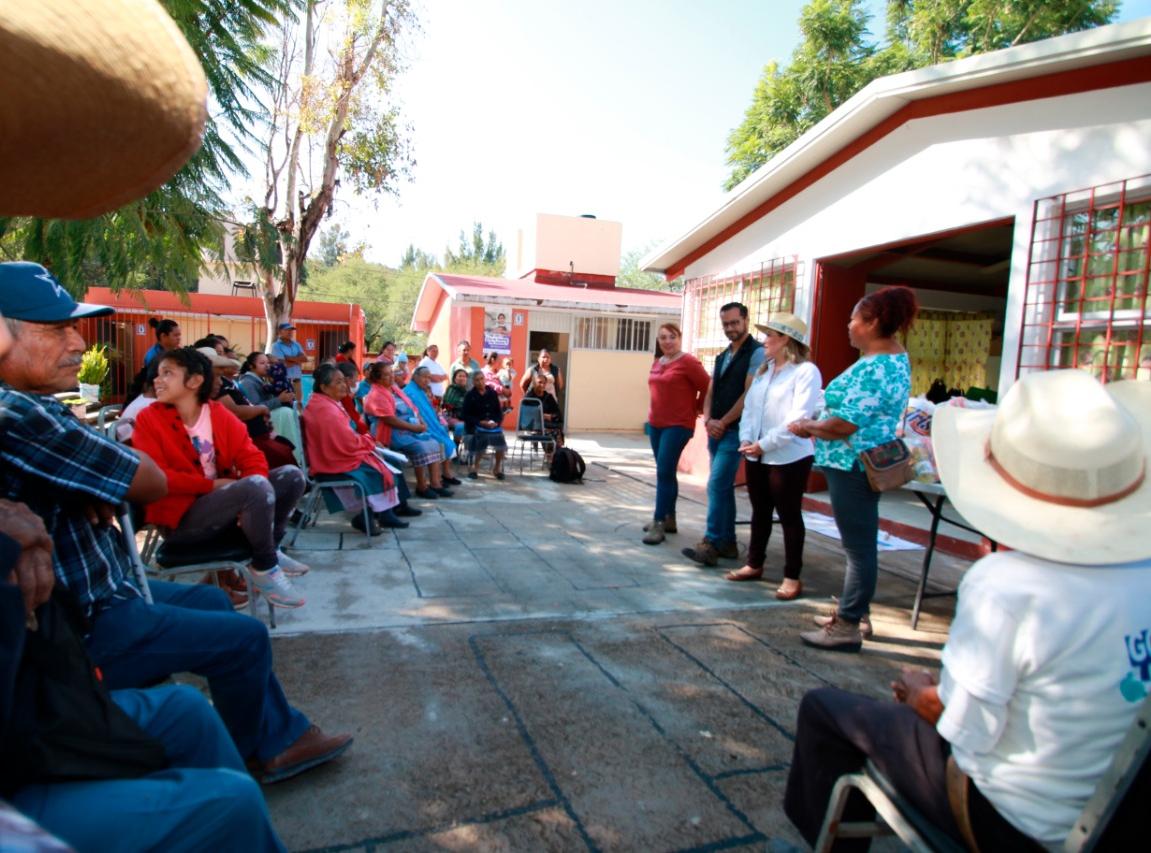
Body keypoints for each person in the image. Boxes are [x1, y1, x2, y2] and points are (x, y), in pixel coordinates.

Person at [0, 264, 353, 784]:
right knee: (245, 636)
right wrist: (116, 479)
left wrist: (101, 479)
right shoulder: (28, 413)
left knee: (217, 592)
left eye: (74, 327)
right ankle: (263, 748)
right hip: (90, 614)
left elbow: (239, 458)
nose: (78, 342)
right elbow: (151, 482)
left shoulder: (215, 414)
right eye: (57, 330)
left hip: (115, 584)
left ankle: (269, 725)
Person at [784, 369, 1151, 849]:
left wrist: (921, 694)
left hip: (1014, 820)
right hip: (1114, 814)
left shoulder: (1007, 585)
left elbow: (965, 729)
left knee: (823, 711)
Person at [787, 286, 917, 650]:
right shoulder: (889, 358)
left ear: (872, 323)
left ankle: (847, 625)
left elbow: (844, 424)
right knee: (858, 545)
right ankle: (855, 612)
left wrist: (808, 426)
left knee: (859, 549)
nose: (848, 325)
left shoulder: (877, 366)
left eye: (853, 319)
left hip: (853, 464)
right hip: (855, 461)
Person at [132, 347, 309, 607]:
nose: (157, 380)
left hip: (223, 506)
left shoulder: (217, 413)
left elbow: (251, 456)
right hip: (181, 520)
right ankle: (265, 564)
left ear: (194, 381)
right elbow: (158, 477)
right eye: (158, 374)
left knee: (291, 477)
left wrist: (255, 494)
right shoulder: (149, 419)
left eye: (167, 373)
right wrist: (213, 486)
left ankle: (270, 547)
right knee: (253, 487)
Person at [726, 314, 821, 599]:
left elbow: (798, 418)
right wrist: (747, 439)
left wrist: (764, 444)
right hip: (757, 455)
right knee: (760, 512)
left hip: (788, 457)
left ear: (786, 339)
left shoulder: (805, 372)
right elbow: (750, 410)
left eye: (770, 335)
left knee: (789, 515)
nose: (765, 341)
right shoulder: (764, 371)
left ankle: (792, 576)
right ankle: (754, 563)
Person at [682, 302, 765, 567]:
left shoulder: (757, 353)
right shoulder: (722, 356)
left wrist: (725, 421)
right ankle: (728, 542)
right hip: (715, 430)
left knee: (716, 484)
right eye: (726, 324)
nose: (730, 328)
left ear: (746, 320)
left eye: (734, 323)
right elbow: (711, 391)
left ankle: (711, 542)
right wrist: (708, 420)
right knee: (723, 487)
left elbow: (749, 393)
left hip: (736, 431)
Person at [302, 363, 407, 534]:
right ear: (324, 387)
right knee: (380, 468)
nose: (344, 385)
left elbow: (348, 436)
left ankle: (379, 514)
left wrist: (368, 442)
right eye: (338, 382)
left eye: (343, 381)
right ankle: (368, 516)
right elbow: (348, 443)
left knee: (384, 460)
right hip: (332, 462)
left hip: (334, 454)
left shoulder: (324, 403)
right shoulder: (326, 410)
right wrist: (369, 443)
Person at [642, 323, 710, 546]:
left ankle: (658, 522)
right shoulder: (658, 362)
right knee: (667, 472)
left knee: (663, 471)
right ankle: (670, 518)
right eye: (663, 337)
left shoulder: (688, 362)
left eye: (672, 337)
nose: (667, 341)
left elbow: (708, 386)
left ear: (679, 338)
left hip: (678, 425)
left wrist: (697, 407)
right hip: (656, 424)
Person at [363, 362, 450, 500]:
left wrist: (420, 421)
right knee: (420, 447)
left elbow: (412, 407)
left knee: (434, 442)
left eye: (391, 373)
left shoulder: (394, 388)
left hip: (408, 428)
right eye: (387, 375)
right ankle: (421, 486)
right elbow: (390, 420)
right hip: (390, 432)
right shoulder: (376, 395)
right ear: (377, 378)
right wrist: (414, 428)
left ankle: (435, 483)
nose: (392, 376)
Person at [407, 366, 463, 484]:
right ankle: (436, 479)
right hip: (417, 428)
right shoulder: (409, 391)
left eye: (429, 377)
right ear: (415, 377)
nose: (427, 380)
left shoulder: (420, 391)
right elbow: (414, 414)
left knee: (446, 438)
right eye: (424, 377)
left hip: (430, 425)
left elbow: (429, 410)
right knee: (440, 442)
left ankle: (445, 474)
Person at [462, 370, 507, 480]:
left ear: (485, 379)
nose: (480, 382)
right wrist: (480, 422)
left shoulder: (492, 393)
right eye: (477, 380)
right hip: (475, 426)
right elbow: (465, 415)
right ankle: (475, 467)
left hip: (492, 426)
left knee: (500, 438)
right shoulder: (470, 395)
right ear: (473, 382)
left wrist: (496, 422)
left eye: (482, 379)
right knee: (483, 437)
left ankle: (497, 468)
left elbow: (498, 412)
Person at [523, 370, 565, 461]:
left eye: (544, 383)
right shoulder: (529, 397)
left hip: (548, 425)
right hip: (533, 427)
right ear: (534, 383)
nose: (542, 385)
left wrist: (549, 416)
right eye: (540, 382)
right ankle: (550, 456)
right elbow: (525, 416)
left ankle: (555, 456)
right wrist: (541, 416)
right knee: (550, 432)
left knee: (555, 430)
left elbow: (558, 414)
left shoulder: (549, 397)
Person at [271, 322, 307, 399]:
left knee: (299, 403)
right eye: (287, 330)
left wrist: (288, 358)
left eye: (291, 330)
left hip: (297, 380)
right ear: (280, 332)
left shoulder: (296, 344)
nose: (290, 332)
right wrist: (297, 361)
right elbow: (283, 364)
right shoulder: (276, 346)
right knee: (287, 403)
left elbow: (305, 358)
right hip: (284, 381)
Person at [441, 367, 470, 443]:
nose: (462, 378)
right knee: (461, 426)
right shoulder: (451, 389)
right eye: (460, 376)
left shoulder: (467, 392)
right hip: (451, 416)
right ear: (455, 379)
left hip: (464, 417)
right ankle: (456, 445)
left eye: (464, 376)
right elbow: (448, 405)